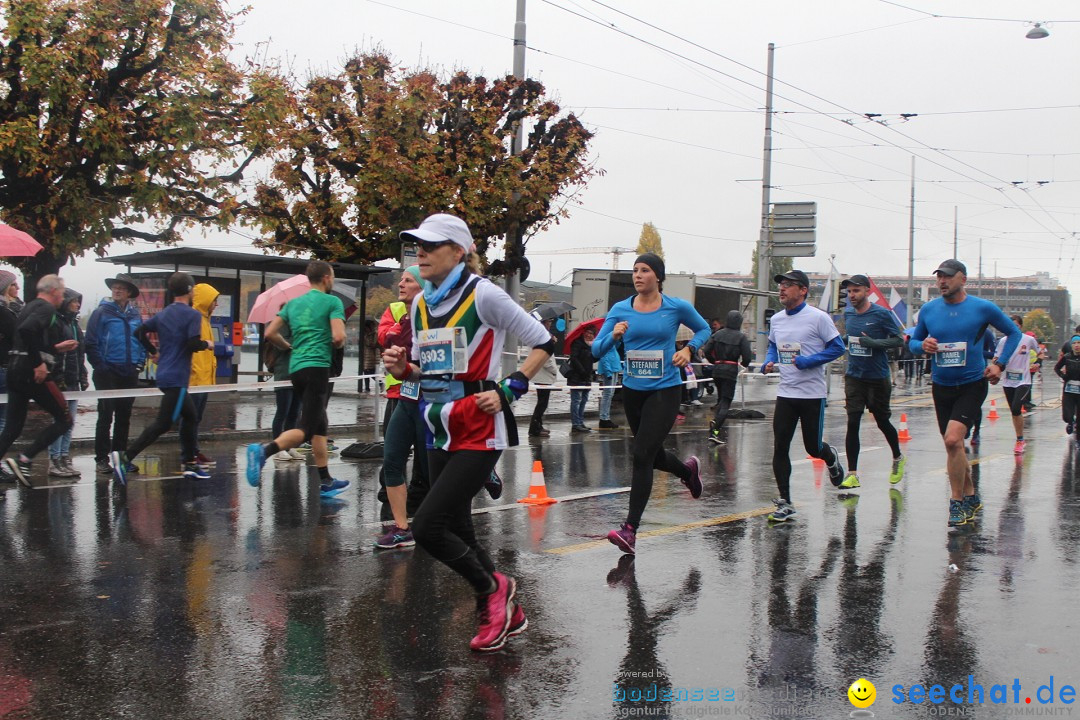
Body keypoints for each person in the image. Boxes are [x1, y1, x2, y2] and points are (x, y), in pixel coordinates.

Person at [381, 213, 554, 652]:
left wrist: (511, 388)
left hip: (480, 426)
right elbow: (426, 371)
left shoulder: (484, 295)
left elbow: (543, 341)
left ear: (458, 251)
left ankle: (493, 590)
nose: (419, 251)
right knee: (460, 527)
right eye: (416, 244)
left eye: (430, 244)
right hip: (436, 427)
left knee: (429, 527)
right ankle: (505, 611)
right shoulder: (420, 305)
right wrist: (404, 369)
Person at [592, 252, 709, 554]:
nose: (638, 275)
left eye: (645, 270)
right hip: (633, 390)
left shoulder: (675, 307)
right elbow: (596, 349)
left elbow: (705, 329)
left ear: (658, 276)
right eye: (635, 271)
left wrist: (689, 350)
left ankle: (630, 530)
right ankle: (687, 472)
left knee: (641, 454)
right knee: (652, 456)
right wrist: (613, 337)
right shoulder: (620, 309)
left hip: (665, 390)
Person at [907, 259, 1022, 529]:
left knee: (952, 440)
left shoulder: (982, 308)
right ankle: (971, 495)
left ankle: (956, 503)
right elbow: (912, 343)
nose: (942, 282)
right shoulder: (929, 310)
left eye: (947, 277)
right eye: (938, 277)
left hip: (972, 383)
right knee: (954, 446)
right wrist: (921, 344)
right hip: (941, 384)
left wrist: (999, 363)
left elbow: (1014, 333)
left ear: (963, 279)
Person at [245, 261, 350, 498]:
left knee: (319, 424)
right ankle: (264, 451)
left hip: (297, 368)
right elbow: (338, 336)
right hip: (318, 368)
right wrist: (338, 342)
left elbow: (271, 333)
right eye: (332, 277)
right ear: (325, 278)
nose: (332, 281)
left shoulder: (293, 304)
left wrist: (288, 346)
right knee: (307, 428)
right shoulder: (333, 302)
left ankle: (325, 480)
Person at [109, 273, 212, 485]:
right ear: (190, 290)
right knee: (163, 424)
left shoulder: (165, 313)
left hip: (166, 374)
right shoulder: (191, 315)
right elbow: (193, 344)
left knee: (191, 417)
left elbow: (139, 333)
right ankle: (125, 457)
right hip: (176, 378)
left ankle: (190, 462)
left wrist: (152, 352)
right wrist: (208, 345)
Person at [762, 269, 847, 523]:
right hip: (786, 392)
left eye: (789, 285)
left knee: (813, 447)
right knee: (780, 447)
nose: (782, 289)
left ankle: (829, 456)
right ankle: (786, 501)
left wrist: (810, 361)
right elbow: (773, 345)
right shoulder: (776, 319)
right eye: (781, 284)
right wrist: (769, 361)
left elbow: (838, 347)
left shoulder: (818, 318)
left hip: (812, 394)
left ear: (803, 290)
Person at [0, 275, 79, 487]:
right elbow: (26, 331)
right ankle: (24, 459)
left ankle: (19, 460)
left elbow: (26, 337)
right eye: (62, 293)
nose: (62, 298)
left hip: (15, 370)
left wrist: (55, 348)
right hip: (31, 373)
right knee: (65, 420)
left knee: (13, 428)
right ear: (53, 291)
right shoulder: (46, 308)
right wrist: (38, 363)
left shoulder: (28, 306)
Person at [373, 266, 429, 549]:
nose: (401, 283)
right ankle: (401, 527)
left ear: (423, 286)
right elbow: (388, 339)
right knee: (392, 460)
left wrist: (409, 365)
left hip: (431, 400)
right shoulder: (403, 314)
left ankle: (483, 473)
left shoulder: (435, 315)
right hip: (405, 396)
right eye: (402, 279)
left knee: (432, 470)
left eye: (409, 280)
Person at [837, 275, 905, 489]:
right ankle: (853, 473)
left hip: (877, 377)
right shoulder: (848, 314)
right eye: (849, 292)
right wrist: (844, 340)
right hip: (854, 376)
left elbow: (898, 339)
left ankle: (897, 457)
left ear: (867, 291)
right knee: (853, 422)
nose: (852, 295)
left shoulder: (881, 314)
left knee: (882, 421)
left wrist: (874, 343)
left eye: (856, 291)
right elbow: (850, 338)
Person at [85, 274, 146, 476]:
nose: (117, 291)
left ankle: (121, 458)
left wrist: (139, 363)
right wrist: (100, 366)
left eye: (121, 288)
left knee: (124, 417)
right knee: (105, 416)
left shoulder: (135, 315)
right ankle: (101, 459)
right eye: (115, 288)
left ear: (129, 293)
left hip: (128, 372)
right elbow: (91, 343)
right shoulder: (101, 313)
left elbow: (141, 340)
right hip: (107, 372)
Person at [47, 289, 88, 478]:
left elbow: (80, 354)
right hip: (60, 380)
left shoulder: (74, 324)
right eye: (74, 302)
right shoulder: (56, 322)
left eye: (78, 302)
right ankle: (54, 460)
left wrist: (83, 376)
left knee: (69, 422)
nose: (77, 305)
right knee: (59, 420)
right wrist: (58, 378)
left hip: (73, 380)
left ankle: (64, 457)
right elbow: (52, 351)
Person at [180, 283, 219, 465]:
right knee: (190, 418)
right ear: (205, 301)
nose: (216, 304)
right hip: (195, 380)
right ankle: (188, 454)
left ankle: (194, 451)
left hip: (204, 379)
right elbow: (193, 348)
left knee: (196, 418)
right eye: (214, 301)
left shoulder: (205, 319)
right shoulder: (195, 319)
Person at [992, 315, 1041, 455]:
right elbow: (996, 357)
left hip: (1024, 380)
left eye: (1017, 326)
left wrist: (1037, 363)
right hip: (1008, 380)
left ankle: (1020, 440)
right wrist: (995, 365)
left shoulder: (1028, 339)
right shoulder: (1003, 341)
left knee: (1016, 408)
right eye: (1011, 325)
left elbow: (1040, 353)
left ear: (1021, 326)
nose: (1014, 328)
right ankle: (1019, 438)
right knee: (1014, 412)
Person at [702, 309, 751, 445]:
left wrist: (714, 361)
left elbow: (706, 351)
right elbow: (747, 357)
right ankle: (715, 430)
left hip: (717, 369)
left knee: (720, 398)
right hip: (730, 370)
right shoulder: (741, 337)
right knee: (726, 402)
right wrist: (743, 364)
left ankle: (715, 423)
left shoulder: (717, 334)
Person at [265, 323, 302, 461]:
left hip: (298, 375)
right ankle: (277, 447)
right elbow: (278, 343)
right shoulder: (279, 326)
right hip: (284, 375)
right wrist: (292, 344)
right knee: (282, 413)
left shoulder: (299, 325)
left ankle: (289, 446)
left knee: (294, 414)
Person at [528, 316, 558, 437]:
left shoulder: (544, 335)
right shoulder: (541, 336)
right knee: (542, 403)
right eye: (548, 321)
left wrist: (552, 342)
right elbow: (545, 357)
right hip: (543, 375)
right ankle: (534, 428)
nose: (550, 324)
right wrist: (554, 370)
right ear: (543, 322)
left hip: (543, 375)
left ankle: (538, 425)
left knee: (543, 402)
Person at [0, 271, 20, 435]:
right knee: (3, 418)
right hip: (4, 367)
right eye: (13, 284)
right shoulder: (5, 313)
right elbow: (18, 337)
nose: (18, 288)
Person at [567, 326, 596, 432]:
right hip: (576, 376)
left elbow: (592, 359)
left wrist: (599, 354)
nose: (589, 335)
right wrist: (582, 371)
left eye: (591, 333)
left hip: (587, 377)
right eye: (587, 332)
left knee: (584, 400)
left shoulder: (591, 346)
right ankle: (575, 423)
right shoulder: (577, 343)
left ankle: (580, 421)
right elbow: (574, 358)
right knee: (576, 400)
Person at [1054, 335, 1080, 442]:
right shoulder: (1067, 357)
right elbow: (1056, 368)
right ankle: (1070, 422)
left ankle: (1078, 440)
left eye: (1079, 343)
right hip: (1069, 390)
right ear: (1071, 345)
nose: (1077, 345)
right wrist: (1063, 376)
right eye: (1074, 343)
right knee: (1067, 416)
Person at [597, 340, 622, 429]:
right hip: (610, 370)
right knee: (607, 394)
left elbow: (616, 347)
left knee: (610, 394)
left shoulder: (612, 341)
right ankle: (604, 418)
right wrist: (608, 372)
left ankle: (606, 417)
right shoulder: (606, 341)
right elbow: (604, 357)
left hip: (614, 368)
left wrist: (617, 340)